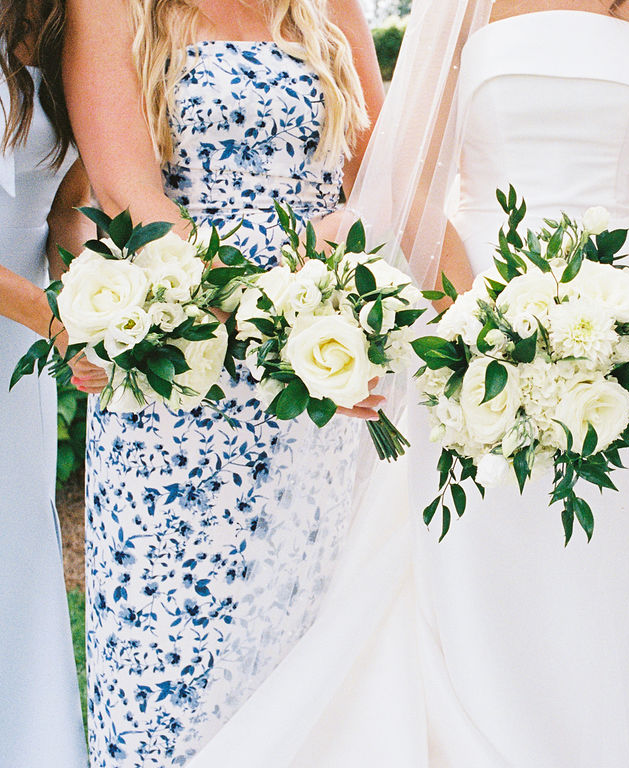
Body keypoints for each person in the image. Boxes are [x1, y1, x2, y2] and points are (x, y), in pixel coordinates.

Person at [355, 0, 629, 765]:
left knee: (587, 591)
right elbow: (408, 169)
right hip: (471, 326)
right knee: (477, 571)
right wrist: (480, 313)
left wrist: (621, 331)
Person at [62, 0, 384, 763]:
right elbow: (129, 200)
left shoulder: (327, 7)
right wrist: (278, 313)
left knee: (297, 650)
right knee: (167, 663)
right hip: (181, 375)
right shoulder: (114, 8)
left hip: (312, 383)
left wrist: (330, 307)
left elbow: (385, 170)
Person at [0, 1, 93, 765]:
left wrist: (98, 295)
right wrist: (59, 324)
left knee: (16, 550)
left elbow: (62, 209)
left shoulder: (74, 34)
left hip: (19, 349)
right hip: (28, 322)